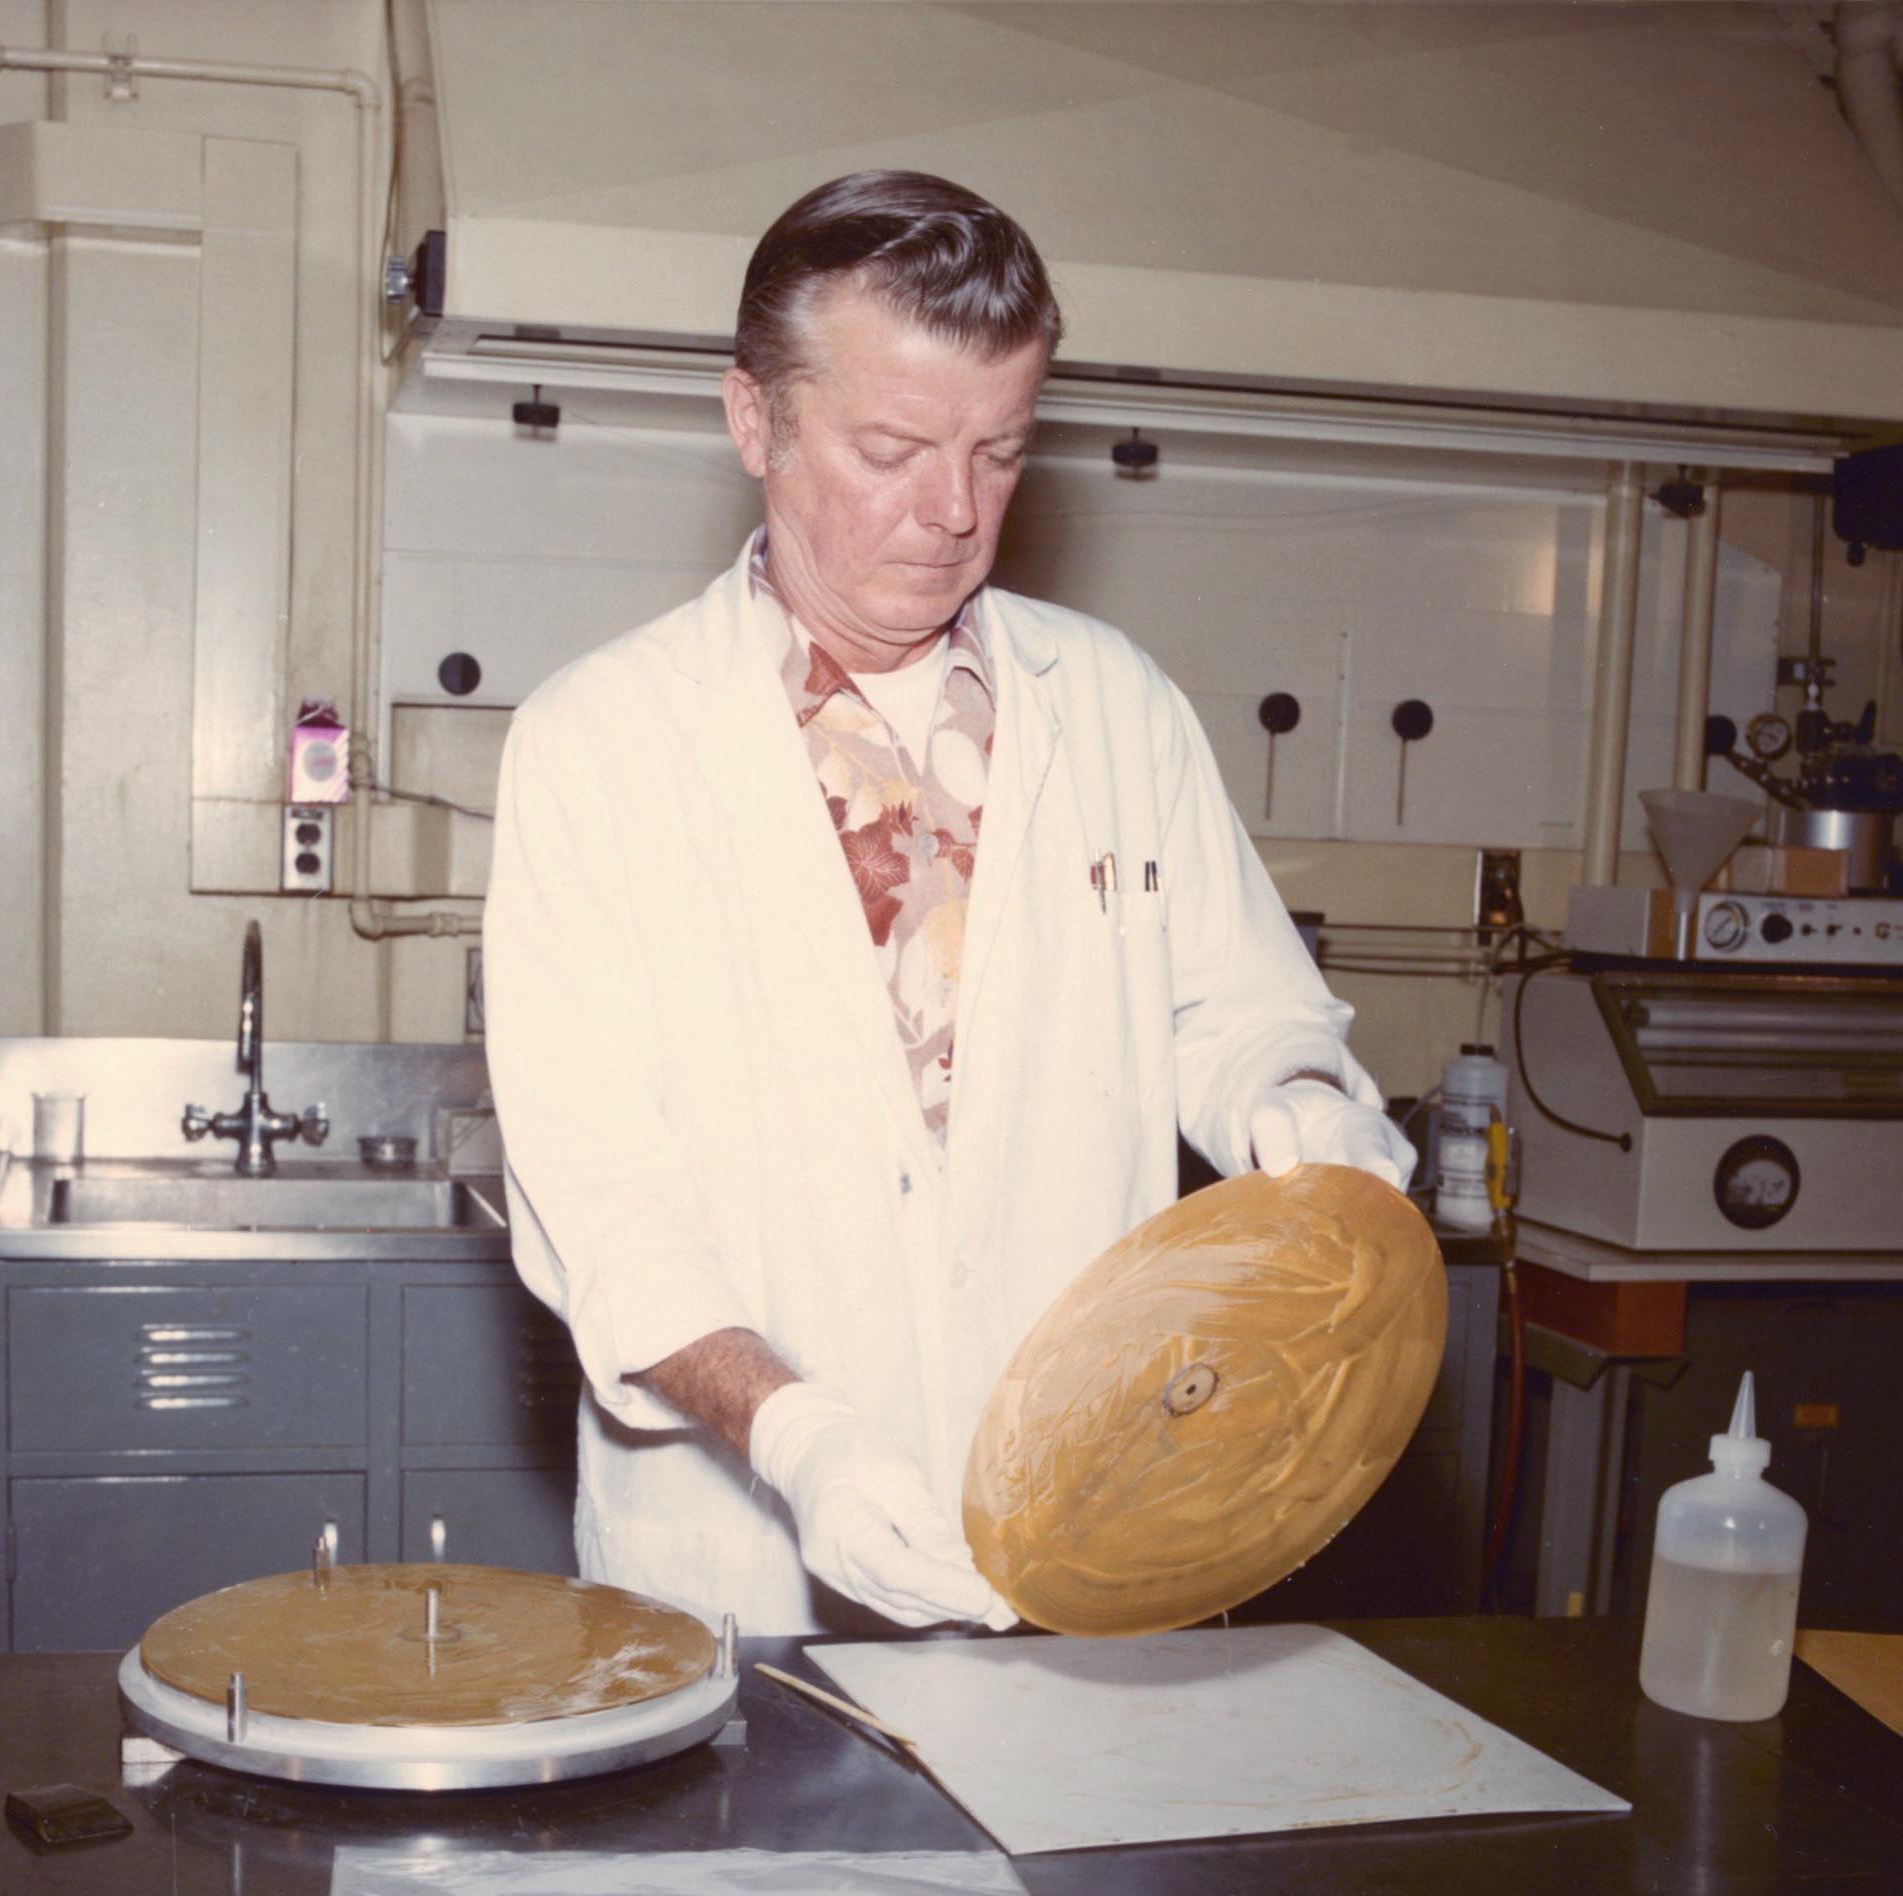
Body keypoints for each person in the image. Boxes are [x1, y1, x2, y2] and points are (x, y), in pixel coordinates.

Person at [483, 171, 1414, 1639]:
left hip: (1096, 1524)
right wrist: (799, 1440)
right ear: (754, 424)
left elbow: (1238, 1014)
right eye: (893, 449)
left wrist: (1303, 1115)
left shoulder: (1111, 705)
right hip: (743, 1568)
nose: (953, 513)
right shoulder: (599, 743)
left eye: (999, 451)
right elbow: (603, 1201)